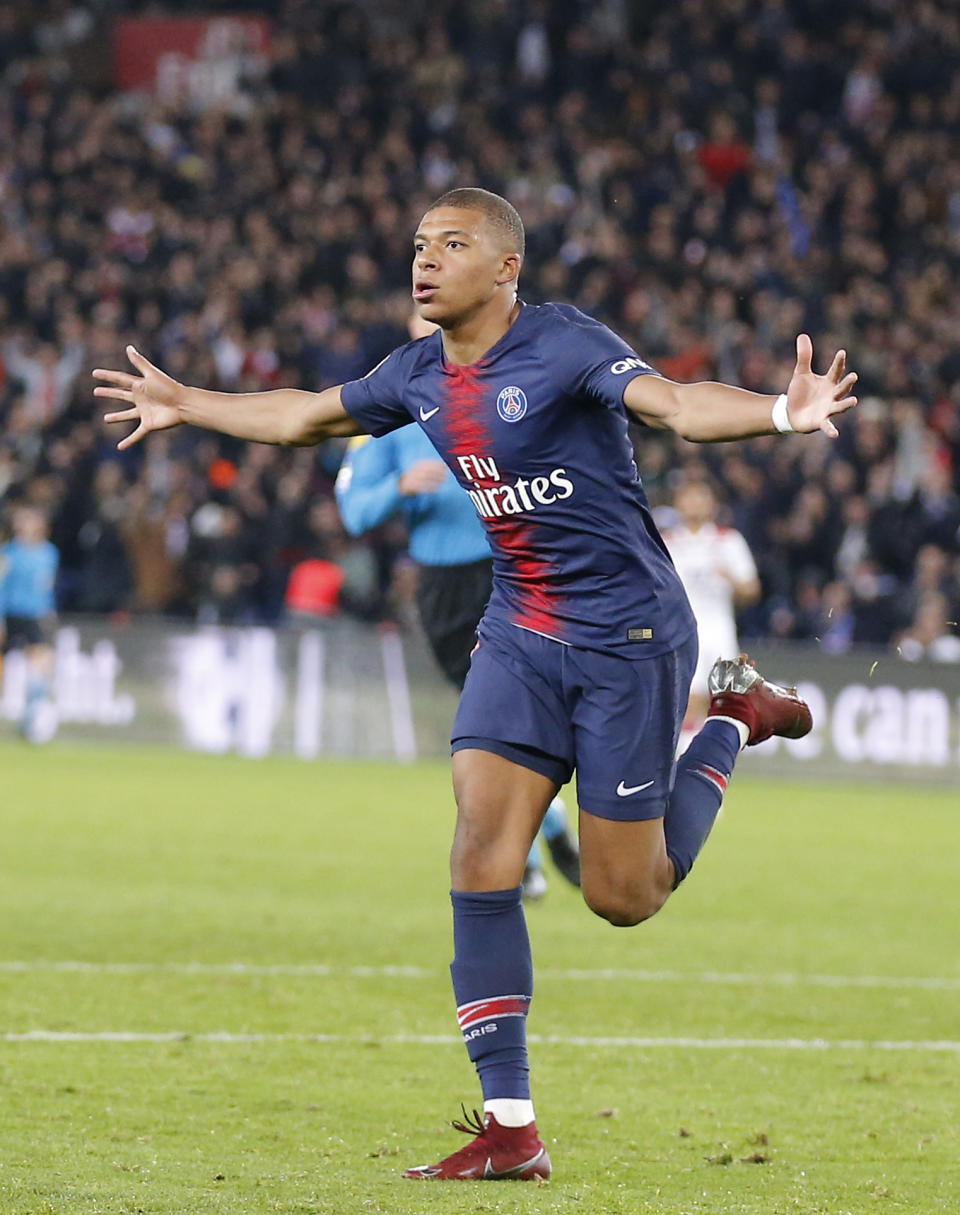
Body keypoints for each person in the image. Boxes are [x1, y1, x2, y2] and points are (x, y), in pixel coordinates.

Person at [94, 187, 857, 1182]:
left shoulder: (566, 345)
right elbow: (303, 419)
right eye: (419, 244)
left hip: (628, 638)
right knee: (480, 846)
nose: (426, 260)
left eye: (452, 244)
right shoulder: (416, 372)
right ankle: (511, 1128)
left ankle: (728, 717)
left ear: (506, 268)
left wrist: (779, 413)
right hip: (521, 634)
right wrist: (187, 402)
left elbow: (675, 405)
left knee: (626, 898)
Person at [335, 418, 581, 898]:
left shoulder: (502, 389)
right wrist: (398, 486)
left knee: (503, 719)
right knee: (498, 721)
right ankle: (548, 827)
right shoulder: (384, 415)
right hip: (445, 589)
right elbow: (355, 513)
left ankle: (526, 859)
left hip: (513, 572)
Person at [662, 479, 761, 735]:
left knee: (724, 703)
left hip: (720, 631)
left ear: (712, 504)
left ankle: (706, 761)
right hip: (682, 632)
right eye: (688, 497)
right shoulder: (667, 542)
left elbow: (752, 590)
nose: (694, 503)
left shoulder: (728, 541)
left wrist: (728, 577)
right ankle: (684, 762)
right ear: (678, 503)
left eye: (700, 497)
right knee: (688, 700)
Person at [0, 505, 60, 742]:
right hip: (10, 615)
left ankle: (31, 722)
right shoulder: (9, 553)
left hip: (34, 616)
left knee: (41, 668)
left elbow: (46, 585)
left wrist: (49, 608)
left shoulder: (49, 553)